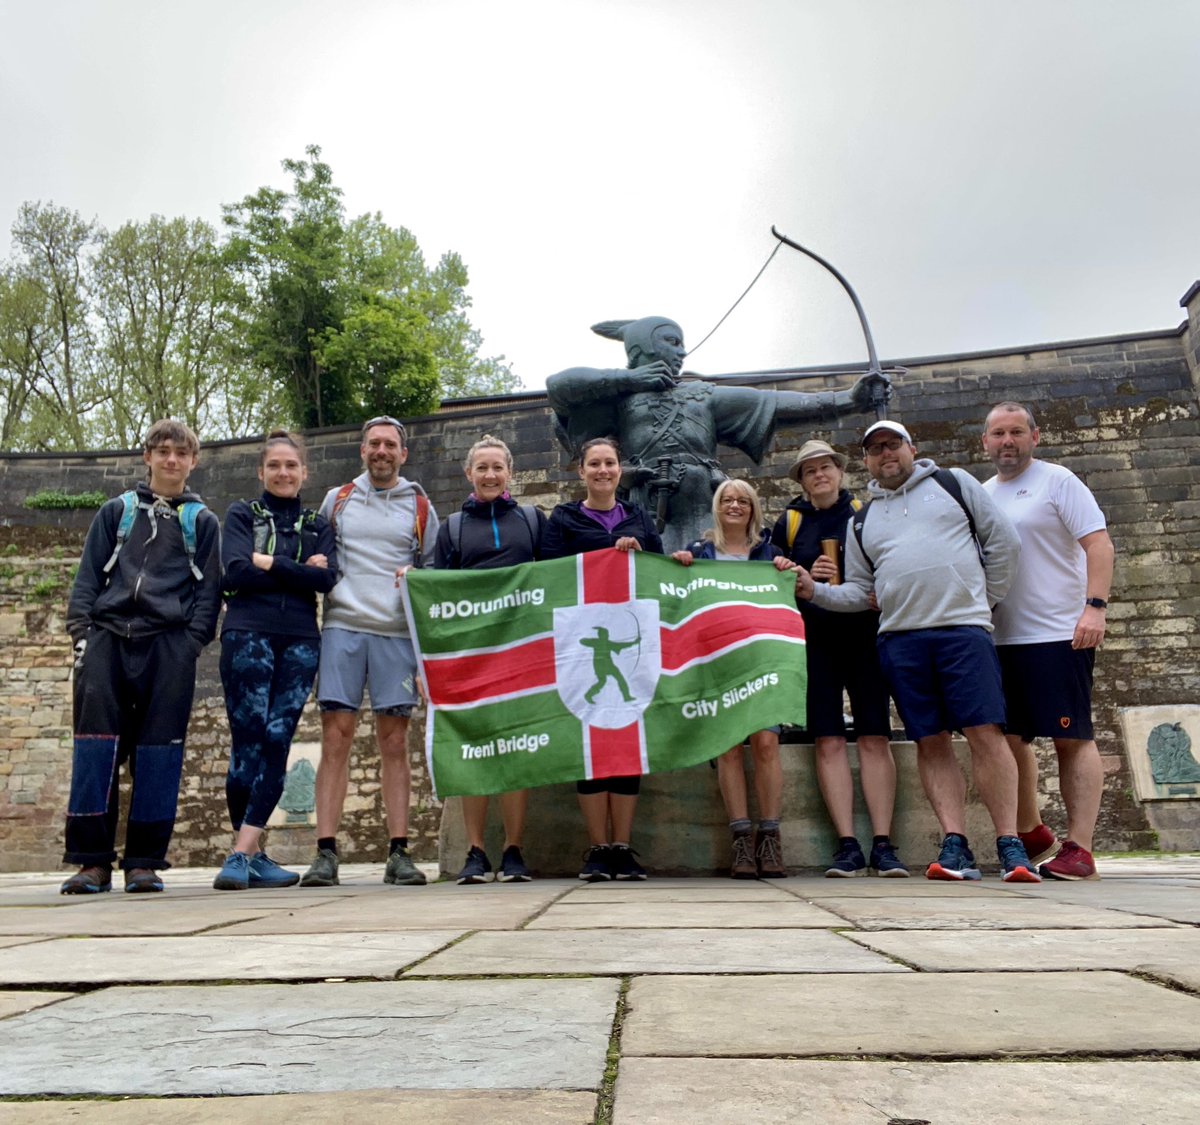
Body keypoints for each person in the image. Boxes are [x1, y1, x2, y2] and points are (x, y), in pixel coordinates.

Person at [793, 420, 1040, 883]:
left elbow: (1003, 542)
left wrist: (983, 599)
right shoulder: (862, 520)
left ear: (912, 448)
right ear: (866, 460)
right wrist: (815, 592)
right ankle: (955, 844)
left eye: (892, 444)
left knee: (985, 732)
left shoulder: (953, 484)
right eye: (875, 449)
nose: (885, 454)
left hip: (962, 632)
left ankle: (1010, 842)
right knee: (930, 740)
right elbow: (859, 592)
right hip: (900, 640)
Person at [545, 316, 890, 552]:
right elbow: (558, 387)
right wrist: (630, 380)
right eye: (671, 341)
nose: (681, 351)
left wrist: (847, 399)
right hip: (647, 509)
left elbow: (773, 403)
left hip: (703, 505)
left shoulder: (701, 395)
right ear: (640, 349)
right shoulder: (619, 399)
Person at [61, 419, 221, 894]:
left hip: (169, 646)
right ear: (147, 456)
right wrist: (82, 634)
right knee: (96, 750)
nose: (172, 460)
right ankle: (91, 862)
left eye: (181, 453)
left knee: (159, 755)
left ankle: (144, 862)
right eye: (163, 451)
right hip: (107, 640)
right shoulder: (116, 512)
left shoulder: (202, 522)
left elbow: (208, 594)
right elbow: (88, 578)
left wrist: (190, 644)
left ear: (193, 461)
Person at [299, 416, 439, 889]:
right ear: (362, 451)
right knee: (335, 738)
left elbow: (433, 575)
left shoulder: (420, 506)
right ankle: (325, 853)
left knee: (394, 741)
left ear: (404, 454)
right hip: (342, 627)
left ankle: (399, 851)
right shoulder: (336, 500)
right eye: (374, 443)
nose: (382, 451)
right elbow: (318, 558)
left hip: (397, 634)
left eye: (390, 445)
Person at [982, 402, 1114, 880]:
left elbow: (1098, 544)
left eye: (1017, 432)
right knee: (1007, 737)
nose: (1007, 441)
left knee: (1070, 737)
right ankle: (1032, 830)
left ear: (1034, 437)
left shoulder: (1058, 481)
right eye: (998, 433)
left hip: (1059, 632)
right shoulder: (982, 494)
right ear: (986, 443)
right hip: (1000, 637)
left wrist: (1094, 607)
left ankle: (1079, 847)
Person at [771, 439, 908, 878]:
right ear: (802, 480)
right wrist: (803, 575)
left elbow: (890, 566)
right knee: (827, 739)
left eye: (825, 467)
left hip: (864, 636)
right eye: (810, 471)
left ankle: (883, 844)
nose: (819, 475)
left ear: (839, 471)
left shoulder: (865, 514)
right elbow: (773, 576)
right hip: (815, 642)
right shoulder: (790, 522)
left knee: (874, 737)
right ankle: (847, 844)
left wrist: (849, 581)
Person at [213, 430, 338, 891]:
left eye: (291, 466)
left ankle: (242, 853)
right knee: (248, 739)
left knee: (278, 737)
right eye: (275, 466)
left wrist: (269, 563)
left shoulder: (316, 522)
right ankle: (251, 852)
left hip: (301, 640)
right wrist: (299, 570)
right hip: (248, 633)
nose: (283, 473)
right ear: (262, 471)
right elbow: (236, 570)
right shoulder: (242, 513)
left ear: (304, 472)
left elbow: (328, 581)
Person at [541, 436, 664, 880]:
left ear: (620, 469)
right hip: (580, 640)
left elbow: (659, 569)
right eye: (594, 464)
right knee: (591, 739)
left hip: (634, 633)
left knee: (627, 737)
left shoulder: (639, 516)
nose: (602, 471)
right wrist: (600, 558)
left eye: (610, 463)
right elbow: (551, 570)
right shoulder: (563, 517)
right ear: (581, 471)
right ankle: (596, 847)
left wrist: (642, 554)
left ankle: (622, 846)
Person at [434, 434, 546, 885]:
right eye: (482, 468)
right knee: (475, 749)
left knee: (516, 751)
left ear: (510, 473)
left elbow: (558, 580)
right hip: (471, 657)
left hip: (522, 654)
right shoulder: (453, 527)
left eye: (497, 467)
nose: (490, 475)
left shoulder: (535, 521)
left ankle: (514, 849)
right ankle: (477, 850)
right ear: (469, 474)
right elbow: (437, 596)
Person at [672, 479, 795, 878]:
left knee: (765, 743)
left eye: (743, 500)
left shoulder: (770, 553)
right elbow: (679, 600)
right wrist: (678, 570)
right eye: (728, 499)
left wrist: (786, 572)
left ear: (754, 508)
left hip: (762, 663)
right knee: (726, 747)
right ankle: (741, 839)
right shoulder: (699, 552)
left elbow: (789, 598)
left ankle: (770, 837)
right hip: (716, 662)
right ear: (717, 507)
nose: (735, 505)